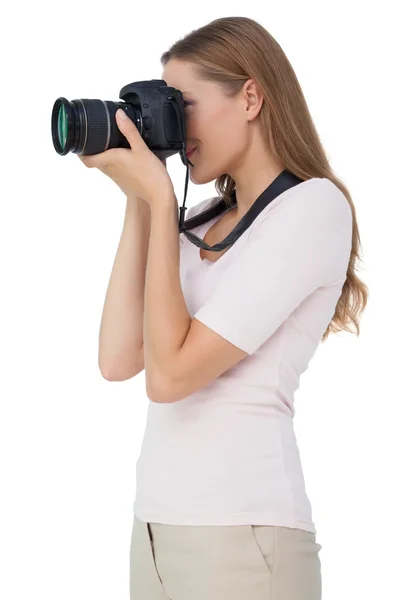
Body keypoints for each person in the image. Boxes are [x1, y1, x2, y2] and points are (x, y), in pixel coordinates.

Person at [124, 16, 369, 600]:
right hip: (153, 530)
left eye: (184, 105)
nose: (176, 128)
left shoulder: (313, 208)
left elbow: (170, 376)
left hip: (242, 533)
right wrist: (141, 196)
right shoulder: (199, 217)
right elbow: (116, 357)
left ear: (251, 97)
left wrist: (160, 202)